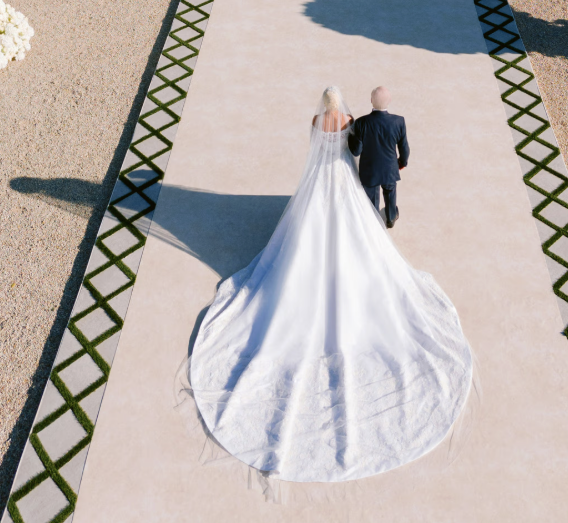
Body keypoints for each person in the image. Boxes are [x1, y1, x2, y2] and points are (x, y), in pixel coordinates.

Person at [186, 86, 473, 484]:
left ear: (323, 105)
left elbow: (314, 149)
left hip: (319, 180)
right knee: (357, 224)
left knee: (311, 228)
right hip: (342, 176)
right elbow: (352, 150)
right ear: (343, 106)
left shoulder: (316, 121)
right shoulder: (350, 122)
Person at [349, 86, 408, 227]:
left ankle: (372, 223)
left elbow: (356, 151)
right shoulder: (399, 121)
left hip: (369, 170)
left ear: (371, 100)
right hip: (390, 167)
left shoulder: (361, 122)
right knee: (390, 193)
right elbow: (404, 147)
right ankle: (390, 217)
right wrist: (402, 162)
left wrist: (350, 136)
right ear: (390, 101)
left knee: (371, 199)